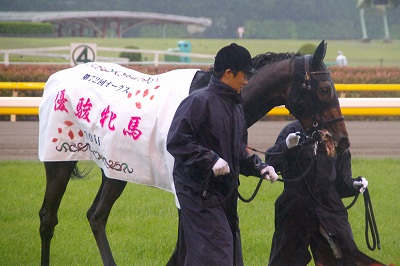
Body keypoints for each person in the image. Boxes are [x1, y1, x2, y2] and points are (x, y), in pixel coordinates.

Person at [166, 43, 279, 266]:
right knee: (217, 255)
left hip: (225, 192)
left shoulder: (236, 107)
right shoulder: (198, 102)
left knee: (230, 257)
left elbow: (238, 151)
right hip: (198, 192)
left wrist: (259, 167)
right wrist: (210, 159)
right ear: (228, 73)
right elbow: (177, 141)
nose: (247, 82)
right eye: (244, 76)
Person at [265, 120, 385, 266]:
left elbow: (340, 182)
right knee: (285, 261)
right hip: (295, 206)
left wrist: (354, 185)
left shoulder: (336, 134)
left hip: (329, 208)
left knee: (345, 256)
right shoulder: (293, 129)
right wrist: (287, 145)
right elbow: (271, 161)